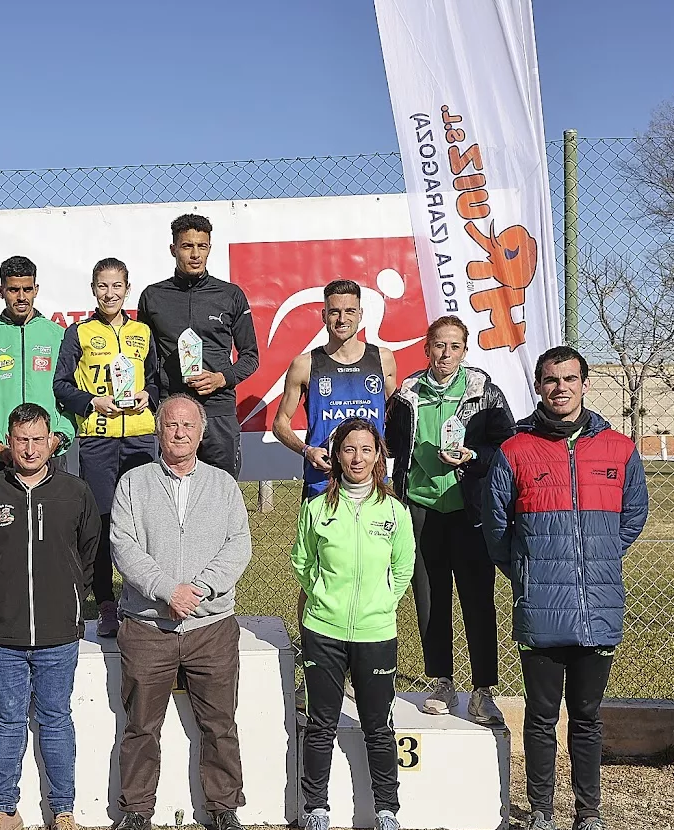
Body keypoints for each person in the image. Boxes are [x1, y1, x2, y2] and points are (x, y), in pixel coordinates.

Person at [482, 346, 649, 830]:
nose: (560, 388)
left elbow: (633, 515)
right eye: (550, 380)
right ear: (538, 385)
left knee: (587, 716)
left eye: (570, 379)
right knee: (539, 716)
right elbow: (496, 530)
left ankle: (589, 818)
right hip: (541, 608)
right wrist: (532, 571)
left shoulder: (619, 449)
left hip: (597, 605)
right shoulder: (515, 450)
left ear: (585, 383)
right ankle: (539, 817)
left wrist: (593, 560)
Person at [106, 394, 254, 830]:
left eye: (189, 425)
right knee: (141, 725)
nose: (180, 433)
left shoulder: (223, 485)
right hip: (149, 626)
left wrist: (201, 590)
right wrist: (167, 590)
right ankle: (134, 811)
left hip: (210, 627)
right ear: (158, 429)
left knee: (220, 724)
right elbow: (124, 547)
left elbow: (238, 546)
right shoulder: (134, 483)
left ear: (202, 431)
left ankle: (224, 808)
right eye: (171, 425)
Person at [0, 403, 102, 830]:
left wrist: (69, 596)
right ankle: (4, 812)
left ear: (52, 441)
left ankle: (64, 812)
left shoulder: (75, 492)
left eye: (38, 439)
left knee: (57, 720)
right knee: (8, 721)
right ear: (9, 440)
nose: (29, 448)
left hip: (59, 634)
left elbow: (88, 551)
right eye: (21, 440)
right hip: (4, 635)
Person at [291, 417, 414, 830]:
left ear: (379, 455)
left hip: (376, 632)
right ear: (336, 455)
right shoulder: (317, 507)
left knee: (378, 727)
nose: (357, 458)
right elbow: (303, 562)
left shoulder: (394, 511)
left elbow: (402, 569)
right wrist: (325, 599)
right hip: (323, 630)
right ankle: (316, 811)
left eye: (366, 449)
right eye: (348, 449)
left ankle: (387, 814)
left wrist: (380, 603)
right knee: (321, 723)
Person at [385, 316, 515, 721]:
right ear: (427, 348)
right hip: (422, 509)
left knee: (478, 600)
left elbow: (506, 445)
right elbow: (390, 443)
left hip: (469, 508)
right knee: (430, 598)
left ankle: (482, 689)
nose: (446, 354)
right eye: (439, 345)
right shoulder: (407, 394)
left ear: (464, 350)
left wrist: (472, 456)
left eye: (454, 346)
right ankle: (441, 681)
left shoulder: (484, 392)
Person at [53, 257, 159, 638]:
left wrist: (150, 394)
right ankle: (107, 604)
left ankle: (140, 597)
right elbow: (61, 385)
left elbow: (159, 382)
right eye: (102, 286)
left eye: (117, 286)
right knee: (99, 521)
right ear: (93, 289)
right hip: (98, 438)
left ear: (127, 289)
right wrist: (91, 403)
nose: (109, 293)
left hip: (140, 438)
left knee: (143, 523)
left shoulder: (143, 333)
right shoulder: (77, 334)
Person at [137, 214, 259, 478]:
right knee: (171, 491)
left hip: (218, 410)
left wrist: (221, 378)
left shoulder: (230, 295)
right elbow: (145, 360)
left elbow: (251, 356)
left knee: (222, 490)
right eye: (187, 246)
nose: (195, 254)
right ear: (173, 249)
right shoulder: (153, 296)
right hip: (172, 412)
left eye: (201, 246)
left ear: (209, 248)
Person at [272, 279, 397, 499]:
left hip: (372, 480)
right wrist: (306, 450)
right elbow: (280, 424)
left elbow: (395, 415)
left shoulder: (383, 359)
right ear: (323, 316)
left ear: (360, 314)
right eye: (334, 312)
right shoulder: (305, 364)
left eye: (350, 311)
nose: (342, 319)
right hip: (323, 480)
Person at [0, 255, 71, 472]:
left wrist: (58, 438)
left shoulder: (59, 336)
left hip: (51, 456)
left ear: (36, 289)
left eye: (27, 289)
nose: (21, 297)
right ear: (0, 290)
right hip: (1, 458)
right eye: (13, 290)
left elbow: (73, 395)